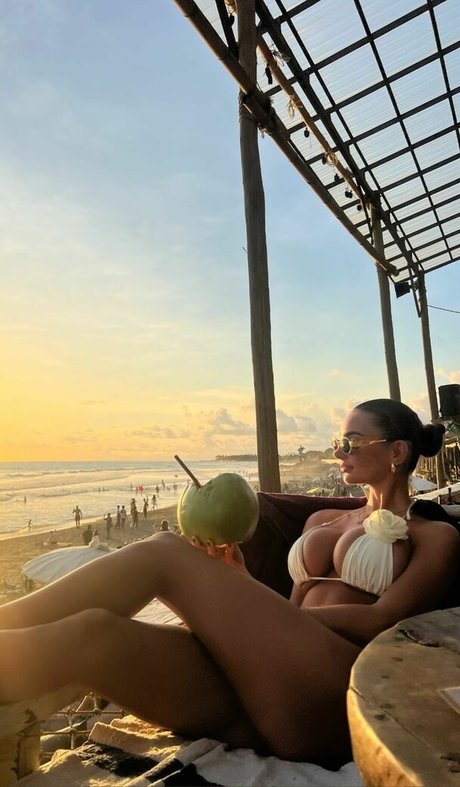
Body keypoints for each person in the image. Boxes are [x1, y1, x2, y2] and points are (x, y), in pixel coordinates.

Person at [0, 399, 458, 765]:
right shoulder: (322, 519)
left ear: (397, 452)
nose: (339, 452)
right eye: (339, 442)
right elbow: (293, 606)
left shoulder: (434, 534)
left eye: (352, 443)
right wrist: (243, 587)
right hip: (270, 685)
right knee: (91, 636)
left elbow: (384, 619)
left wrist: (253, 614)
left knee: (164, 551)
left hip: (340, 694)